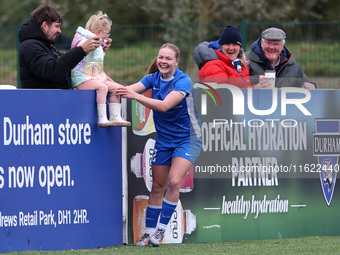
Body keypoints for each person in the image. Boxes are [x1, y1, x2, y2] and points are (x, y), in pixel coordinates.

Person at [115, 43, 202, 246]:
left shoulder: (183, 80)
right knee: (157, 186)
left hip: (188, 138)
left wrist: (135, 96)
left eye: (168, 58)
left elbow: (163, 106)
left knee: (173, 182)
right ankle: (148, 234)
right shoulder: (153, 79)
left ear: (176, 62)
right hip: (164, 139)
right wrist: (103, 81)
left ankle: (160, 232)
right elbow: (125, 90)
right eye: (160, 57)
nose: (163, 61)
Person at [19, 2, 100, 89]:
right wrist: (81, 50)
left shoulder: (48, 47)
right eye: (57, 26)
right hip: (42, 101)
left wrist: (97, 51)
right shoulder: (30, 46)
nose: (59, 31)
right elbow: (51, 71)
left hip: (53, 100)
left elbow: (68, 66)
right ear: (45, 25)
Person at [71, 11, 130, 127]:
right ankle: (102, 118)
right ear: (98, 32)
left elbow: (95, 61)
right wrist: (101, 46)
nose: (107, 37)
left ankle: (115, 116)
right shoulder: (84, 42)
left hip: (93, 76)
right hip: (81, 78)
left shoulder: (97, 43)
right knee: (102, 88)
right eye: (106, 34)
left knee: (117, 88)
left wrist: (103, 49)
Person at [246, 27, 316, 89]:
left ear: (282, 46)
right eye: (268, 43)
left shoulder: (292, 64)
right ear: (262, 43)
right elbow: (237, 83)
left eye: (276, 44)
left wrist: (310, 85)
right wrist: (255, 85)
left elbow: (304, 82)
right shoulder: (245, 61)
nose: (271, 47)